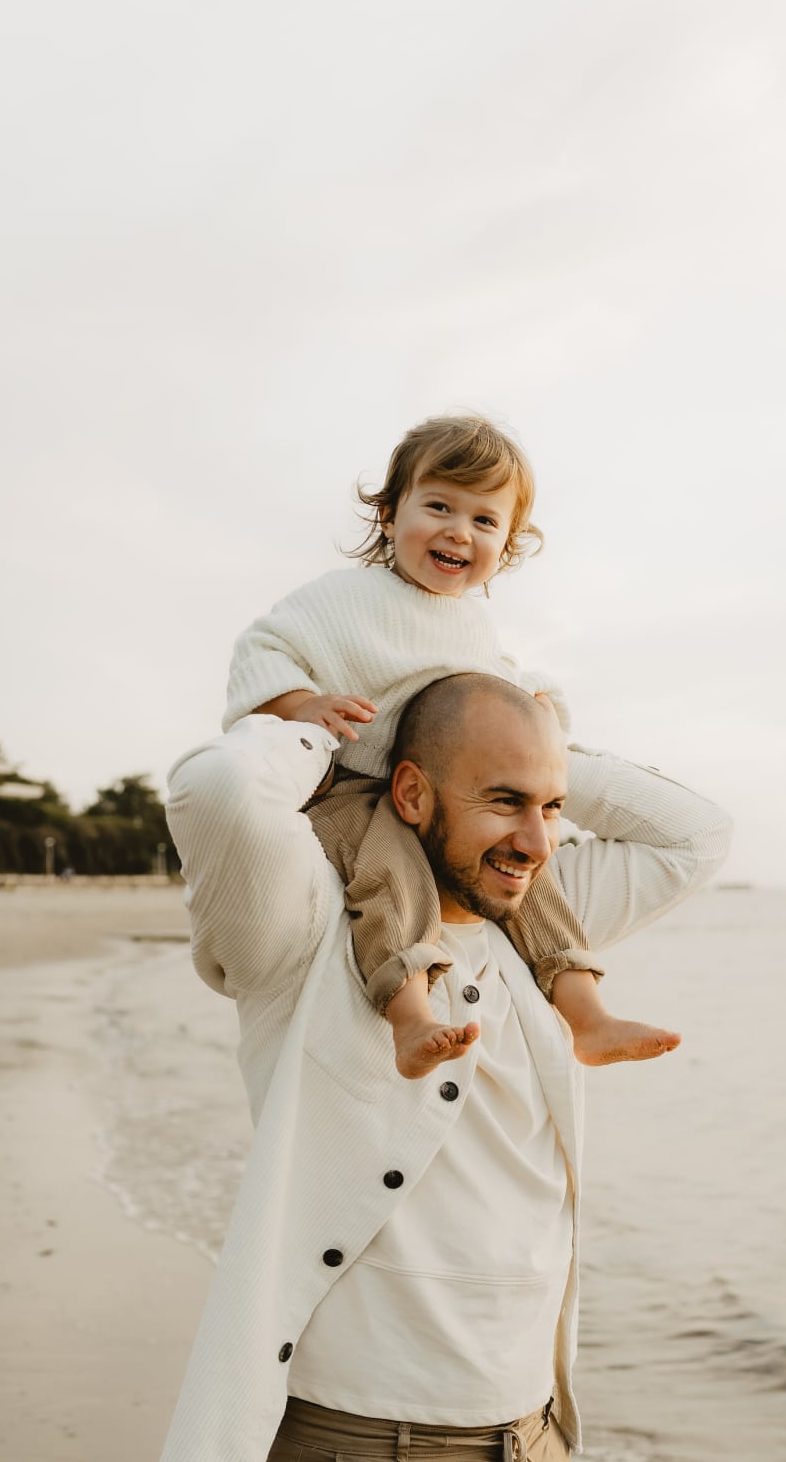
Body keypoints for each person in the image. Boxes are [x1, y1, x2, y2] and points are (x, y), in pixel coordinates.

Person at [160, 668, 732, 1462]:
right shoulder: (304, 930)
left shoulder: (531, 920)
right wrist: (356, 724)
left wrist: (520, 732)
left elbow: (694, 833)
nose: (537, 838)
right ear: (409, 793)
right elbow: (216, 792)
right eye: (502, 802)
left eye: (552, 807)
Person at [224, 412, 684, 1077]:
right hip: (353, 789)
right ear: (389, 514)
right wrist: (302, 704)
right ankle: (411, 1016)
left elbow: (499, 685)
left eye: (484, 520)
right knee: (393, 876)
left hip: (444, 799)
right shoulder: (343, 598)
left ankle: (587, 1016)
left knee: (532, 882)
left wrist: (540, 706)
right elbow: (262, 651)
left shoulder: (472, 625)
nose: (459, 531)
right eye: (439, 506)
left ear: (507, 544)